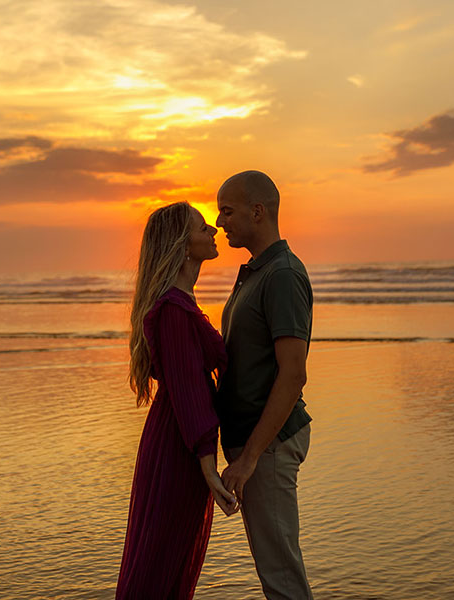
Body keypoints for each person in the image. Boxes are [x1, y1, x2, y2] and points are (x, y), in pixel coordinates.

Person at [116, 201, 239, 600]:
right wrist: (208, 467)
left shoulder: (181, 303)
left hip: (181, 440)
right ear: (182, 245)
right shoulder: (172, 308)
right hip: (179, 446)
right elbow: (189, 390)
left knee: (170, 559)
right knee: (160, 563)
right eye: (203, 228)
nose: (213, 232)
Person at [215, 171, 314, 600]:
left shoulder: (282, 275)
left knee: (281, 575)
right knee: (274, 569)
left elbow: (293, 373)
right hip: (253, 441)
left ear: (258, 211)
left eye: (227, 210)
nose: (220, 222)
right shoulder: (255, 272)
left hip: (269, 443)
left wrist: (250, 457)